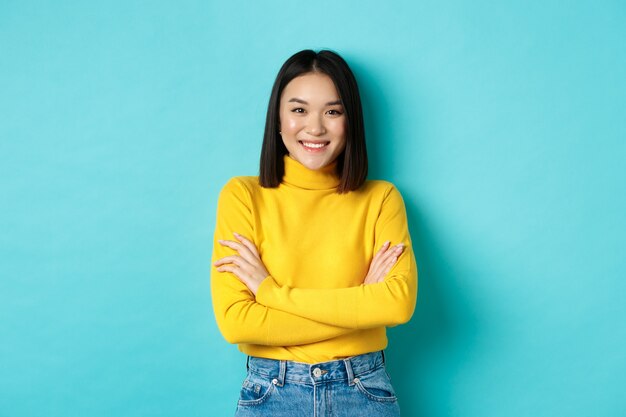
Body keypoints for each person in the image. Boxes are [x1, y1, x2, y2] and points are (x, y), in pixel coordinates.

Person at [211, 49, 418, 417]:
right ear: (277, 118)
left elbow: (396, 305)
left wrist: (271, 293)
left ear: (349, 121)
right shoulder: (243, 196)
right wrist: (360, 303)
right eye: (299, 109)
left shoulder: (381, 199)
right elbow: (237, 323)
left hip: (362, 389)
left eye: (333, 111)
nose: (316, 127)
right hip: (272, 393)